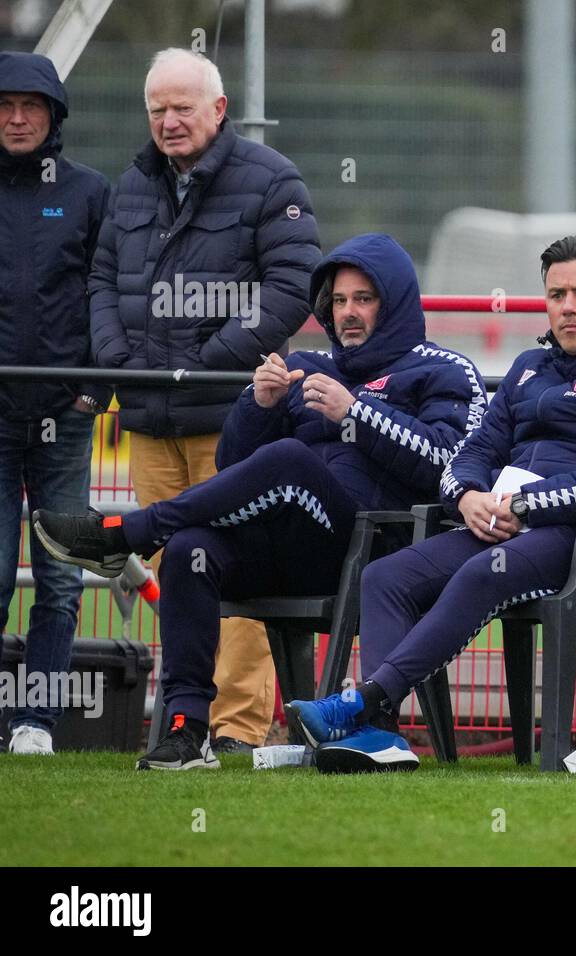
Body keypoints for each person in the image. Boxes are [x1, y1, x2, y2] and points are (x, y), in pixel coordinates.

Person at [35, 233, 486, 770]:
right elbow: (234, 466)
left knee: (293, 459)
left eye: (364, 299)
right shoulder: (312, 365)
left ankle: (124, 535)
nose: (348, 313)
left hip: (376, 554)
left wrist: (356, 414)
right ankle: (186, 730)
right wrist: (258, 403)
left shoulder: (444, 369)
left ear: (396, 303)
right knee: (189, 549)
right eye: (338, 302)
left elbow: (448, 464)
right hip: (290, 548)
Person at [285, 234, 576, 773]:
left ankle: (364, 701)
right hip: (503, 526)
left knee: (482, 572)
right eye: (556, 294)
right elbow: (470, 452)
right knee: (386, 576)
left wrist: (526, 504)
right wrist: (469, 495)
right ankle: (379, 738)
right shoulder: (528, 367)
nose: (567, 306)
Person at [88, 48, 321, 752]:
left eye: (182, 106)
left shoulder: (272, 180)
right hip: (150, 419)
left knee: (232, 572)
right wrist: (118, 362)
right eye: (157, 108)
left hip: (231, 421)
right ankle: (185, 720)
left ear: (219, 109)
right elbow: (102, 279)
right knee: (174, 571)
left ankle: (240, 727)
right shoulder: (130, 186)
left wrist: (206, 367)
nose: (168, 121)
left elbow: (292, 288)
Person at [0, 52, 111, 755]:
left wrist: (93, 391)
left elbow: (109, 296)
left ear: (54, 116)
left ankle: (35, 723)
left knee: (60, 577)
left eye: (30, 107)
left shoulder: (90, 192)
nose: (15, 119)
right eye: (5, 107)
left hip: (64, 420)